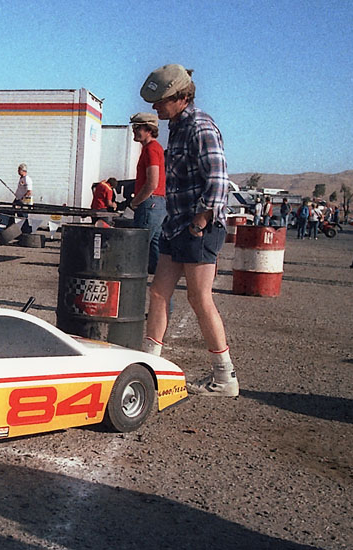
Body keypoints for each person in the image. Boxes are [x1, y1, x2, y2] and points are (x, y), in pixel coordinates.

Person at [138, 63, 237, 397]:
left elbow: (218, 180)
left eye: (161, 100)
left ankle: (224, 378)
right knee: (157, 292)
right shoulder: (177, 127)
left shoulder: (201, 127)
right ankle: (149, 363)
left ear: (180, 97)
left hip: (197, 227)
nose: (155, 107)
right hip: (176, 226)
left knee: (199, 298)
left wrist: (200, 222)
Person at [129, 112, 167, 274]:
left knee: (137, 249)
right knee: (154, 249)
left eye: (137, 128)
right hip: (157, 205)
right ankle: (161, 294)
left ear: (149, 129)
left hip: (149, 204)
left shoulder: (151, 150)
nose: (134, 131)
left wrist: (135, 202)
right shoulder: (154, 149)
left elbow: (152, 183)